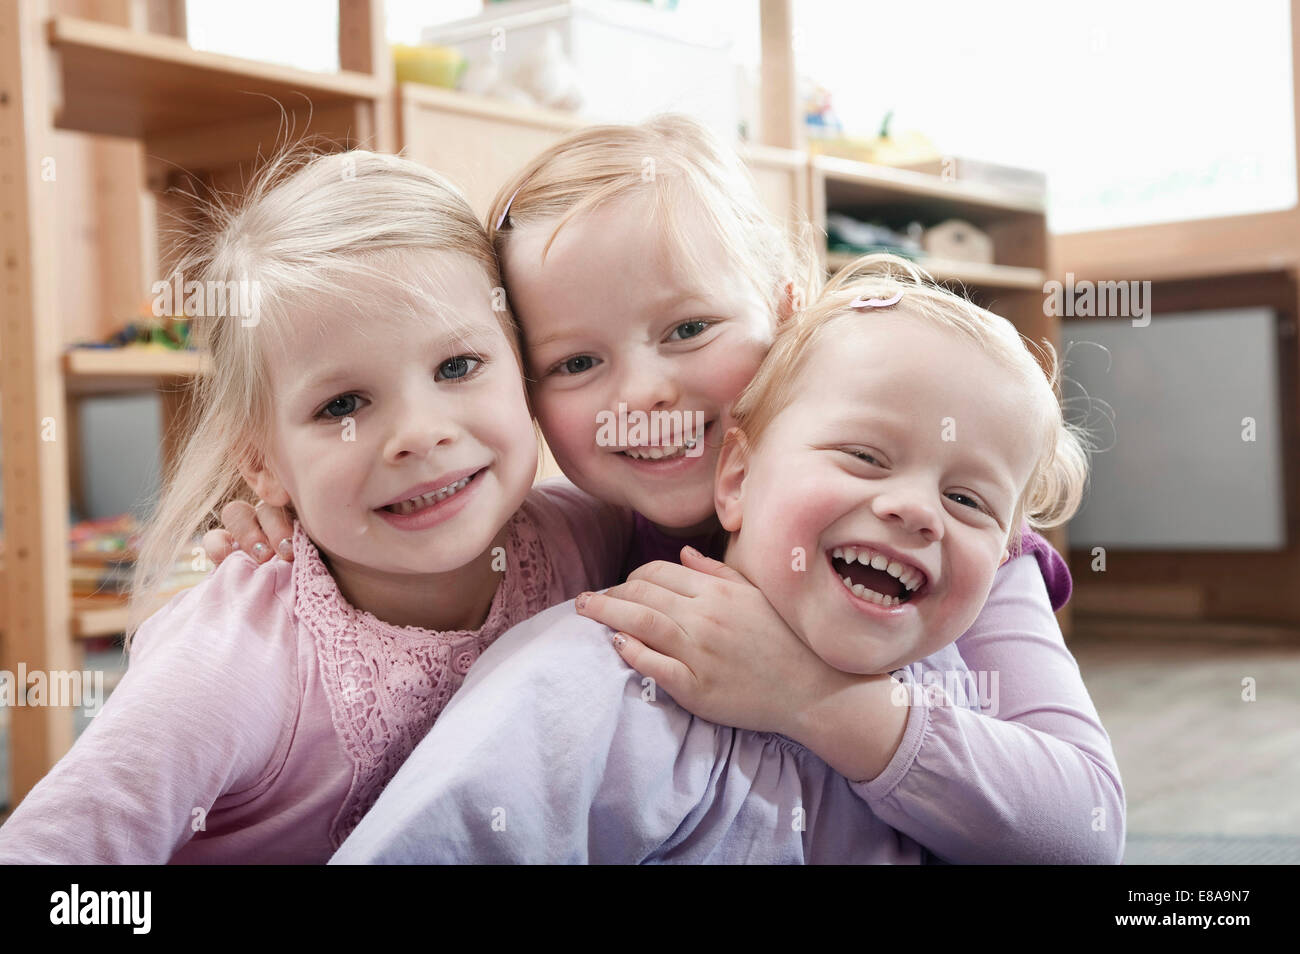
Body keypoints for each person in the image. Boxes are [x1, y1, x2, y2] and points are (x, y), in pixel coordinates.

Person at [213, 117, 1125, 862]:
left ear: (786, 313)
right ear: (524, 393)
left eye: (689, 326)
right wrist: (302, 529)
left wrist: (815, 699)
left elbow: (1084, 827)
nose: (642, 392)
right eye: (574, 361)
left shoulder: (953, 545)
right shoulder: (577, 534)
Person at [332, 254, 1102, 863]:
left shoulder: (961, 685)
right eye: (865, 456)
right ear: (736, 478)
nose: (918, 510)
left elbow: (1084, 837)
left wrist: (817, 701)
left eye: (970, 502)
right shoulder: (602, 670)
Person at [0, 150, 628, 864]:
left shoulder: (593, 536)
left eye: (457, 366)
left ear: (523, 366)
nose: (419, 433)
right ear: (262, 464)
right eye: (342, 405)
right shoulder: (230, 660)